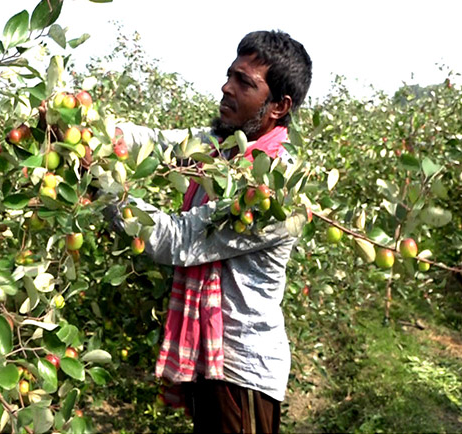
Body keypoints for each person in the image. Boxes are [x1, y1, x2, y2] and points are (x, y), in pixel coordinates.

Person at [112, 30, 312, 434]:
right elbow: (152, 142)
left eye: (245, 82)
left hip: (242, 371)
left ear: (279, 106)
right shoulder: (218, 150)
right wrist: (83, 126)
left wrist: (100, 185)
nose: (226, 87)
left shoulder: (275, 190)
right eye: (229, 75)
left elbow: (177, 240)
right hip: (210, 358)